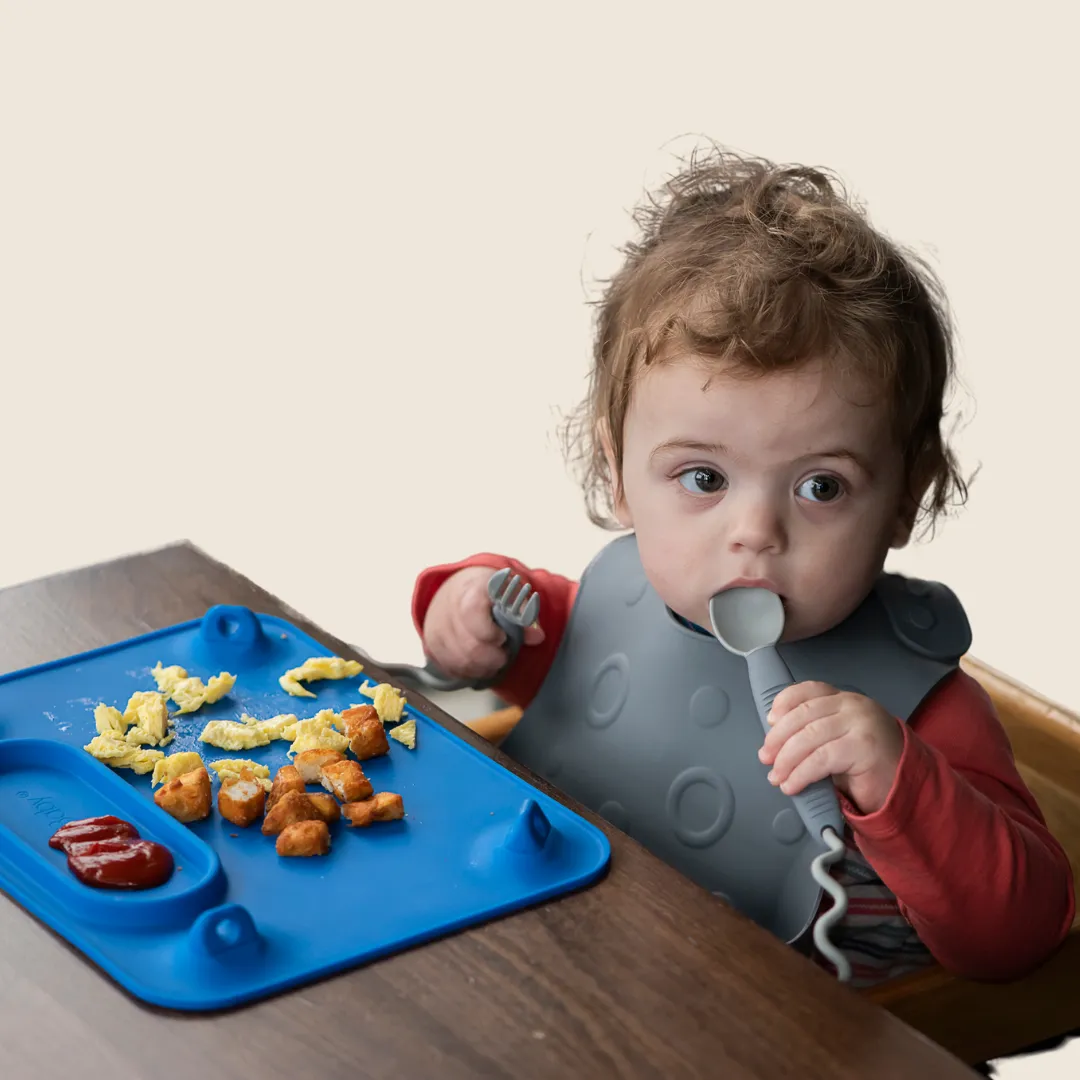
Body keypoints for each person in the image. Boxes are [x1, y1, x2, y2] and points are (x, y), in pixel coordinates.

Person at [409, 146, 1074, 988]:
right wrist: (470, 613)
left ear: (907, 499)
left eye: (821, 486)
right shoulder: (615, 600)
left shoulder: (924, 711)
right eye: (703, 478)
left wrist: (896, 778)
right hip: (574, 969)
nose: (755, 531)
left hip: (766, 1028)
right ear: (617, 475)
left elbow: (1023, 937)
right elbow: (557, 644)